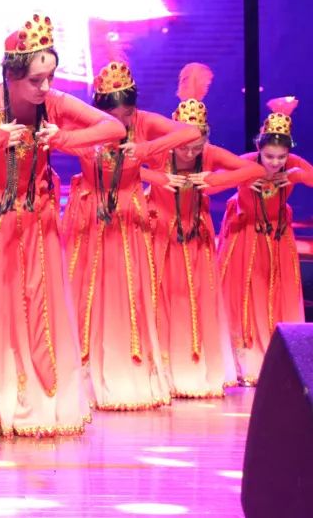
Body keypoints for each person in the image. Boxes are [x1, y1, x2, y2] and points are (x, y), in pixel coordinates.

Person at [0, 13, 125, 437]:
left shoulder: (54, 104)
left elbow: (113, 127)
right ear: (12, 75)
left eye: (50, 77)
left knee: (36, 306)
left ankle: (34, 399)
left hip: (35, 217)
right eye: (36, 80)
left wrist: (64, 139)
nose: (45, 87)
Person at [62, 60, 200, 410]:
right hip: (90, 213)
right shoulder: (86, 122)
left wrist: (145, 150)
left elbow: (190, 133)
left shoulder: (143, 122)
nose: (119, 123)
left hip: (127, 216)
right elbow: (54, 132)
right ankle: (81, 374)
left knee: (127, 290)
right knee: (86, 289)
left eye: (125, 115)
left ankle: (127, 370)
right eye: (112, 116)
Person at [142, 63, 260, 398]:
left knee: (193, 299)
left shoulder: (207, 154)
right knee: (162, 298)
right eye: (185, 146)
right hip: (161, 233)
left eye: (196, 146)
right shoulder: (160, 151)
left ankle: (193, 368)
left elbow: (252, 170)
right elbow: (127, 165)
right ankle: (161, 370)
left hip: (195, 237)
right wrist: (159, 178)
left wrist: (213, 181)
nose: (190, 153)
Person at [219, 97, 313, 384]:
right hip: (245, 234)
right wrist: (246, 177)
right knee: (244, 293)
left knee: (275, 292)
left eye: (281, 157)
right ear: (259, 149)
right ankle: (243, 359)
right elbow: (216, 178)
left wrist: (296, 174)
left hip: (276, 237)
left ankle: (276, 358)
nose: (275, 163)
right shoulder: (247, 161)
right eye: (269, 156)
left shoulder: (291, 165)